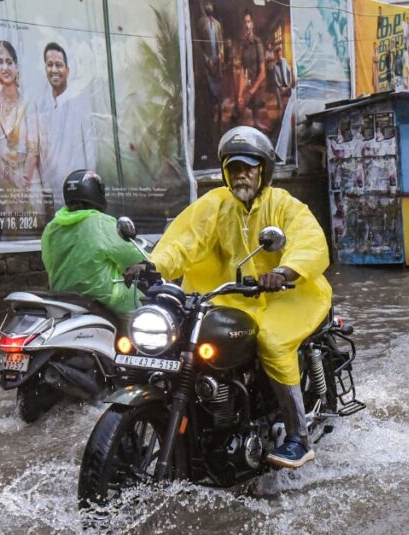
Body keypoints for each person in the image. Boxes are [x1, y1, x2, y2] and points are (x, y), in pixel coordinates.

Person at [137, 126, 331, 469]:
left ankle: (299, 437)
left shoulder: (284, 205)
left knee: (271, 341)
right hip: (229, 297)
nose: (241, 174)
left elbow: (310, 243)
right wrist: (151, 266)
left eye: (249, 167)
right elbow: (182, 241)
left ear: (263, 170)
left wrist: (285, 272)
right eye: (234, 167)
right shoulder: (215, 205)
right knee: (183, 339)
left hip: (289, 295)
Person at [40, 169, 143, 318]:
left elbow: (49, 262)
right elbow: (132, 256)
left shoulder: (52, 227)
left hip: (64, 298)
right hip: (106, 299)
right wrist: (155, 262)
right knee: (147, 310)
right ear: (96, 192)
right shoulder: (99, 222)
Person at [0, 40, 41, 224]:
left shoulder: (28, 102)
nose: (5, 67)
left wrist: (23, 185)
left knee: (35, 231)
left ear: (17, 67)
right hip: (5, 180)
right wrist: (13, 178)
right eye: (0, 62)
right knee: (10, 233)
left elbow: (34, 150)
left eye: (9, 62)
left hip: (30, 180)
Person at [37, 42, 96, 208]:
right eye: (50, 65)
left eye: (59, 65)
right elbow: (43, 152)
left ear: (67, 71)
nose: (54, 70)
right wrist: (46, 187)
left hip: (79, 191)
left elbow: (90, 148)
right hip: (54, 192)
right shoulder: (43, 107)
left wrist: (89, 186)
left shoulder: (80, 102)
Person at [198, 2, 225, 143]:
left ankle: (220, 124)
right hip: (208, 65)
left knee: (219, 95)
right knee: (210, 95)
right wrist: (206, 59)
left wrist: (220, 54)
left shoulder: (218, 25)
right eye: (206, 4)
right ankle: (211, 128)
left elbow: (221, 43)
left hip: (217, 65)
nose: (209, 7)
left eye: (211, 4)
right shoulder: (201, 23)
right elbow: (199, 45)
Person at [238, 10, 266, 128]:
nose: (246, 25)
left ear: (252, 24)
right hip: (249, 88)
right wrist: (239, 94)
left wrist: (251, 91)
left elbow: (263, 73)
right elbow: (242, 73)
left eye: (248, 22)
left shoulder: (257, 43)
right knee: (240, 119)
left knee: (257, 124)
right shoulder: (243, 45)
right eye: (245, 22)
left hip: (258, 88)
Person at [270, 46, 292, 111]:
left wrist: (289, 81)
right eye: (278, 55)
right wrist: (280, 87)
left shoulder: (284, 61)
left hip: (287, 84)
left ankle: (290, 106)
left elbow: (289, 70)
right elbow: (275, 79)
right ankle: (280, 106)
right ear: (276, 55)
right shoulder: (274, 66)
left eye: (280, 54)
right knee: (276, 89)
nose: (279, 56)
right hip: (280, 85)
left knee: (292, 91)